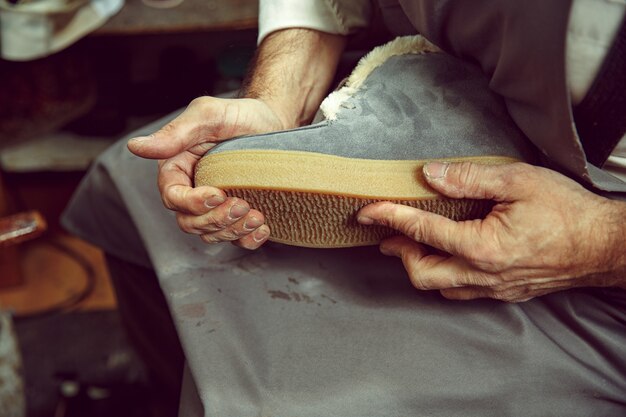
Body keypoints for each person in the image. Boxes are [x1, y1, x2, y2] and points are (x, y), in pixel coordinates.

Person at [63, 0, 626, 415]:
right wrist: (276, 97)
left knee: (267, 397)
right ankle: (161, 391)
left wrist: (600, 243)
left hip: (607, 262)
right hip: (470, 90)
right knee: (131, 180)